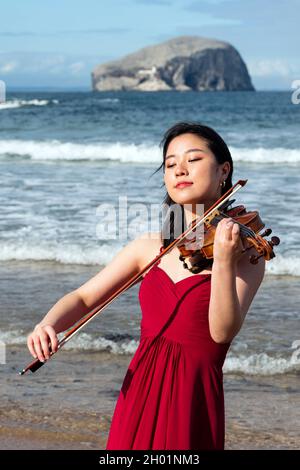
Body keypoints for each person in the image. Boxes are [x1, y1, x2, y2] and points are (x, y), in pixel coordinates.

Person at [26, 121, 265, 450]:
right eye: (170, 164)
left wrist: (223, 260)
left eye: (193, 159)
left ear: (224, 170)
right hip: (139, 389)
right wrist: (48, 324)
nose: (180, 169)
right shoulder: (150, 246)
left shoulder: (246, 256)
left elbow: (221, 333)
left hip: (193, 398)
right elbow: (83, 297)